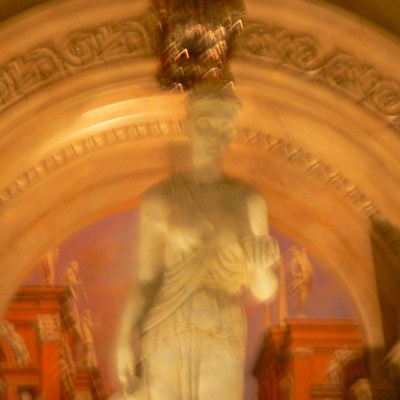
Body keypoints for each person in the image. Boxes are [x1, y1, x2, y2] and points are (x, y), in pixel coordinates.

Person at [116, 84, 279, 400]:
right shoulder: (160, 198)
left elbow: (263, 291)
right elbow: (147, 280)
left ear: (232, 132)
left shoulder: (249, 200)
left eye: (224, 127)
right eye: (206, 125)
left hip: (221, 322)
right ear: (188, 126)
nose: (215, 135)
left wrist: (260, 268)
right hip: (168, 322)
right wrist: (123, 340)